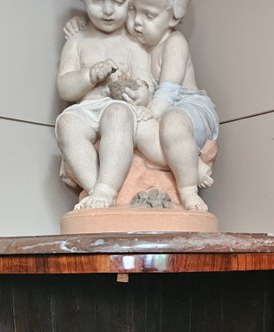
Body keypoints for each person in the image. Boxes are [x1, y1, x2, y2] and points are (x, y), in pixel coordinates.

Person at [55, 0, 154, 209]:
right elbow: (65, 87)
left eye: (118, 2)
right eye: (98, 1)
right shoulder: (77, 41)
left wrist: (139, 93)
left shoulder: (133, 44)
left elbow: (147, 86)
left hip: (119, 107)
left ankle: (107, 189)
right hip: (86, 108)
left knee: (117, 114)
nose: (108, 10)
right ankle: (94, 189)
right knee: (66, 123)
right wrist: (89, 76)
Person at [127, 0, 219, 211]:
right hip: (158, 114)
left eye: (149, 16)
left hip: (188, 107)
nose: (137, 22)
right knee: (134, 125)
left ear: (174, 17)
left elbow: (169, 91)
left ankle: (188, 190)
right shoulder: (139, 46)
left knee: (172, 122)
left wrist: (150, 112)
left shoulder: (174, 42)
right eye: (133, 10)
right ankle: (190, 164)